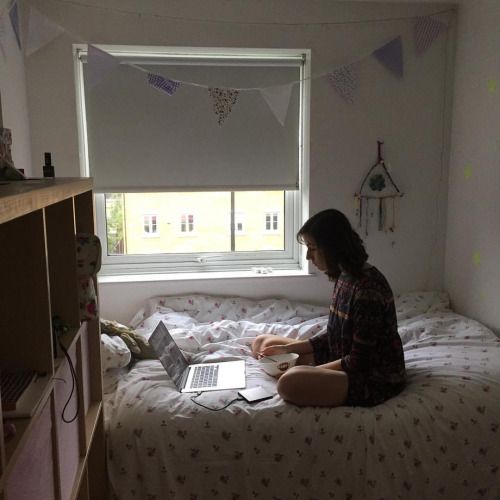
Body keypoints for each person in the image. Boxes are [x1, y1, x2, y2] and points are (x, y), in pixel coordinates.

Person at [251, 208, 406, 407]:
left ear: (332, 247)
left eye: (313, 248)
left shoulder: (368, 291)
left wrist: (313, 372)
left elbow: (359, 362)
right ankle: (298, 367)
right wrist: (287, 348)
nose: (308, 256)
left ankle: (300, 373)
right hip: (341, 357)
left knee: (289, 383)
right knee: (262, 342)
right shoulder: (345, 277)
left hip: (371, 379)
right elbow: (333, 336)